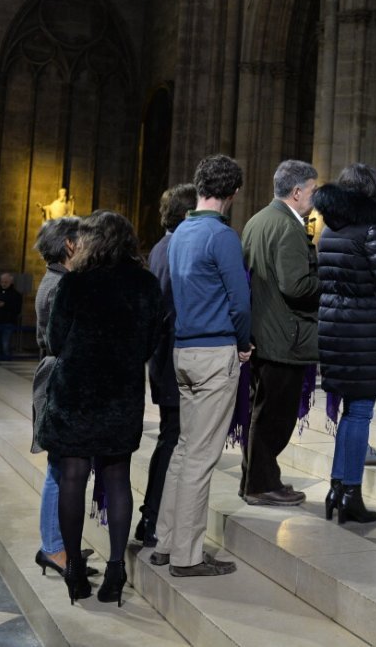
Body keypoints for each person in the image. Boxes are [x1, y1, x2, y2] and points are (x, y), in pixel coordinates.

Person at [36, 211, 162, 605]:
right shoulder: (146, 284)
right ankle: (115, 570)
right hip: (121, 393)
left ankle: (73, 567)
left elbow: (55, 342)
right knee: (117, 478)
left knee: (72, 476)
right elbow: (150, 344)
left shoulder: (75, 283)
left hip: (76, 393)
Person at [152, 155, 250, 577]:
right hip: (214, 352)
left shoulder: (179, 233)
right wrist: (244, 344)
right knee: (201, 458)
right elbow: (240, 301)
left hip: (182, 350)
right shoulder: (221, 235)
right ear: (232, 194)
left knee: (183, 450)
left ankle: (166, 541)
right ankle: (186, 557)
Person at [313, 164, 376, 524]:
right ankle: (350, 492)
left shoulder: (330, 231)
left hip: (335, 328)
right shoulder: (372, 229)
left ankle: (337, 486)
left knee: (350, 412)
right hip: (364, 329)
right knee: (360, 412)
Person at [240, 159, 320, 506]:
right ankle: (260, 484)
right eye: (313, 190)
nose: (314, 198)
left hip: (264, 330)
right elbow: (296, 286)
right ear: (297, 191)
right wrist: (327, 282)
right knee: (275, 416)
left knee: (264, 411)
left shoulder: (258, 220)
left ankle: (260, 479)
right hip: (284, 335)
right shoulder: (288, 227)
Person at [30, 216, 94, 581]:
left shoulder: (63, 281)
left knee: (64, 465)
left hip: (60, 378)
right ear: (70, 244)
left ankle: (59, 542)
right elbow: (64, 340)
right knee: (59, 468)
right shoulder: (59, 285)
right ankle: (53, 547)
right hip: (58, 380)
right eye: (83, 239)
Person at [134, 183, 197, 548]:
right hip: (173, 355)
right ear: (189, 215)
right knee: (172, 439)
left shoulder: (162, 245)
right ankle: (153, 517)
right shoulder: (177, 248)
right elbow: (176, 309)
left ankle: (155, 515)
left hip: (164, 357)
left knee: (171, 438)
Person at [0, 272, 22, 360]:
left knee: (6, 345)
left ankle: (7, 365)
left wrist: (4, 305)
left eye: (6, 282)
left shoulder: (16, 295)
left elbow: (17, 309)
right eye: (2, 282)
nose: (4, 284)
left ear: (11, 282)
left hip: (8, 323)